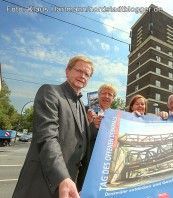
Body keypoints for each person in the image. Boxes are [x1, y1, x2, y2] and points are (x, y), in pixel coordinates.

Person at [13, 55, 94, 198]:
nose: (82, 76)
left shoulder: (82, 106)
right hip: (42, 185)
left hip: (70, 187)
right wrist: (62, 177)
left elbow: (83, 143)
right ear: (67, 71)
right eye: (79, 70)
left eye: (87, 74)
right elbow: (47, 137)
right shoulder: (50, 92)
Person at [87, 84, 117, 152]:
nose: (106, 96)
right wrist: (91, 123)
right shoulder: (87, 111)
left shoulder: (116, 116)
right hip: (90, 156)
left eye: (110, 94)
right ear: (98, 95)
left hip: (108, 155)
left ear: (113, 98)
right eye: (103, 93)